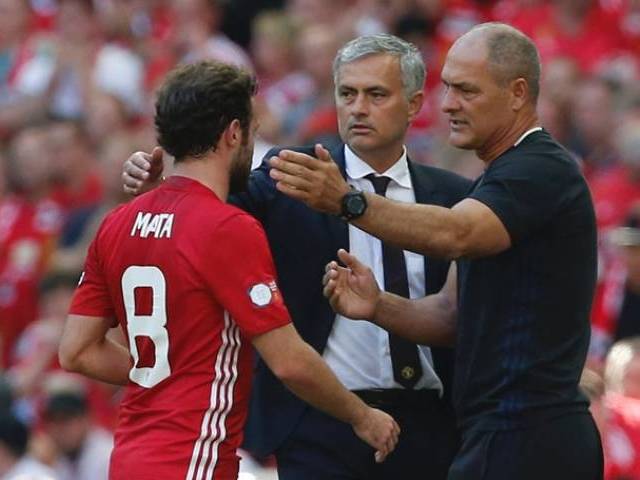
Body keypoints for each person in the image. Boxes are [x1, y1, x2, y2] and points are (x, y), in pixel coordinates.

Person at [122, 35, 469, 479]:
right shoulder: (291, 173)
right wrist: (163, 186)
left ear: (415, 103)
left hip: (431, 422)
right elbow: (209, 208)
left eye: (376, 94)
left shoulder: (454, 198)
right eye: (347, 93)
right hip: (321, 421)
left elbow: (477, 309)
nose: (358, 108)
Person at [271, 22, 603, 479]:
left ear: (517, 93)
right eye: (446, 88)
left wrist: (348, 201)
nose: (448, 104)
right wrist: (378, 306)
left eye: (466, 91)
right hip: (497, 430)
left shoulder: (539, 168)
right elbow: (449, 314)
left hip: (528, 431)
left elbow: (457, 234)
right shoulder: (499, 178)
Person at [59, 61, 399, 480]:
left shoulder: (116, 222)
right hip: (192, 458)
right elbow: (289, 362)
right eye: (252, 133)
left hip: (130, 458)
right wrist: (363, 416)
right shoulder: (226, 227)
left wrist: (163, 373)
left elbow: (77, 350)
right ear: (233, 133)